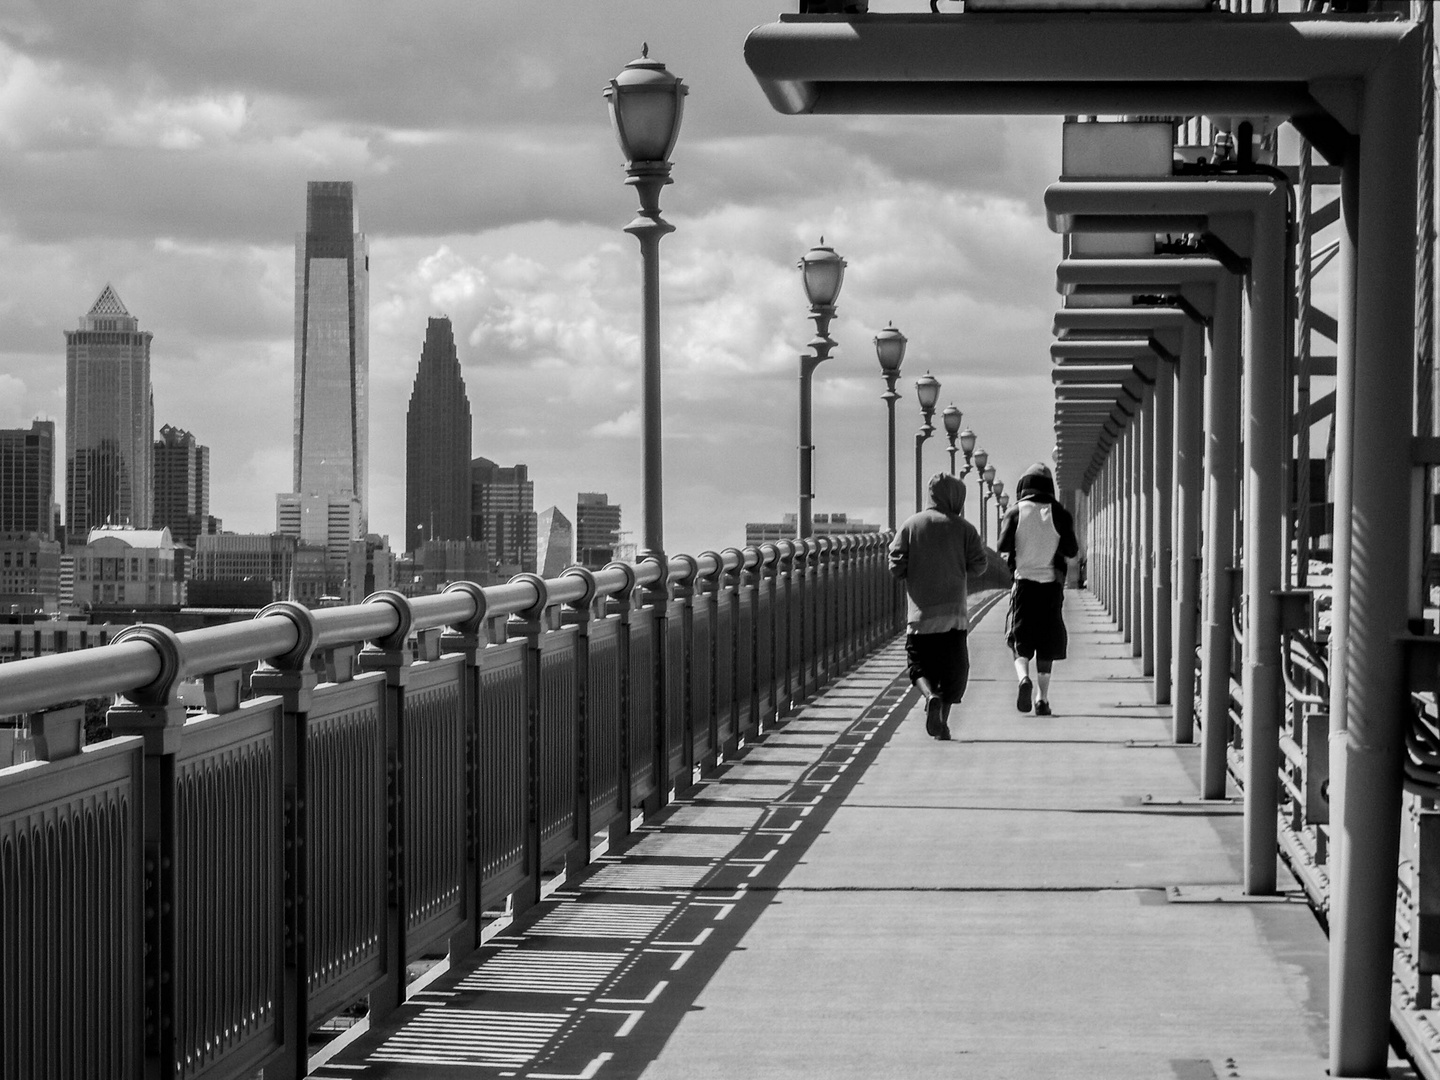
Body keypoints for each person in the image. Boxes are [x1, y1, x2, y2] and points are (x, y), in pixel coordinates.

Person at [889, 472, 989, 740]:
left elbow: (895, 565)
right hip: (954, 616)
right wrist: (959, 565)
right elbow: (980, 565)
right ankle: (942, 722)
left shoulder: (911, 525)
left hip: (920, 617)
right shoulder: (965, 528)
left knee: (919, 666)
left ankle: (928, 695)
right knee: (954, 673)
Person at [996, 462, 1080, 716]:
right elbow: (1072, 550)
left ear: (1024, 486)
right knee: (1047, 642)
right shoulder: (1059, 513)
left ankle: (1023, 678)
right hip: (1051, 588)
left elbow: (1002, 545)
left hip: (1023, 586)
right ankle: (1042, 699)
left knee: (1020, 640)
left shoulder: (1015, 512)